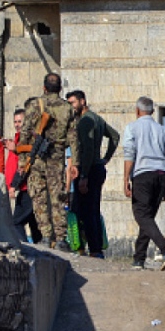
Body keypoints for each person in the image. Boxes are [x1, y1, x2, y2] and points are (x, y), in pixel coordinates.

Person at [18, 73, 79, 251]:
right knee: (57, 196)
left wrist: (23, 162)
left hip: (36, 157)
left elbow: (25, 133)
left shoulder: (34, 105)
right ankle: (60, 238)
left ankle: (45, 236)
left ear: (44, 87)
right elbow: (73, 137)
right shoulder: (68, 108)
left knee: (39, 196)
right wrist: (74, 162)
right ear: (60, 89)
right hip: (57, 156)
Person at [122, 96, 165, 270]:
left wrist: (125, 178)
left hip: (142, 174)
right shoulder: (163, 131)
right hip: (161, 175)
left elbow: (130, 154)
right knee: (148, 218)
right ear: (153, 112)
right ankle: (139, 258)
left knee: (141, 215)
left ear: (137, 110)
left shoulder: (132, 128)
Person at [66, 90, 119, 259]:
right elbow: (115, 137)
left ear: (82, 101)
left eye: (73, 102)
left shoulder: (85, 121)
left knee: (85, 211)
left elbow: (87, 150)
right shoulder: (97, 119)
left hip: (87, 169)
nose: (71, 106)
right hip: (97, 168)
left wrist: (84, 176)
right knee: (93, 209)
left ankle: (93, 249)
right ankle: (95, 248)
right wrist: (105, 159)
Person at [4, 107, 41, 243]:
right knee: (34, 223)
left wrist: (14, 185)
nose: (17, 124)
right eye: (15, 122)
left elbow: (24, 166)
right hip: (25, 187)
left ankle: (25, 249)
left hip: (28, 188)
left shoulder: (26, 141)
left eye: (20, 121)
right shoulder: (17, 139)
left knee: (16, 222)